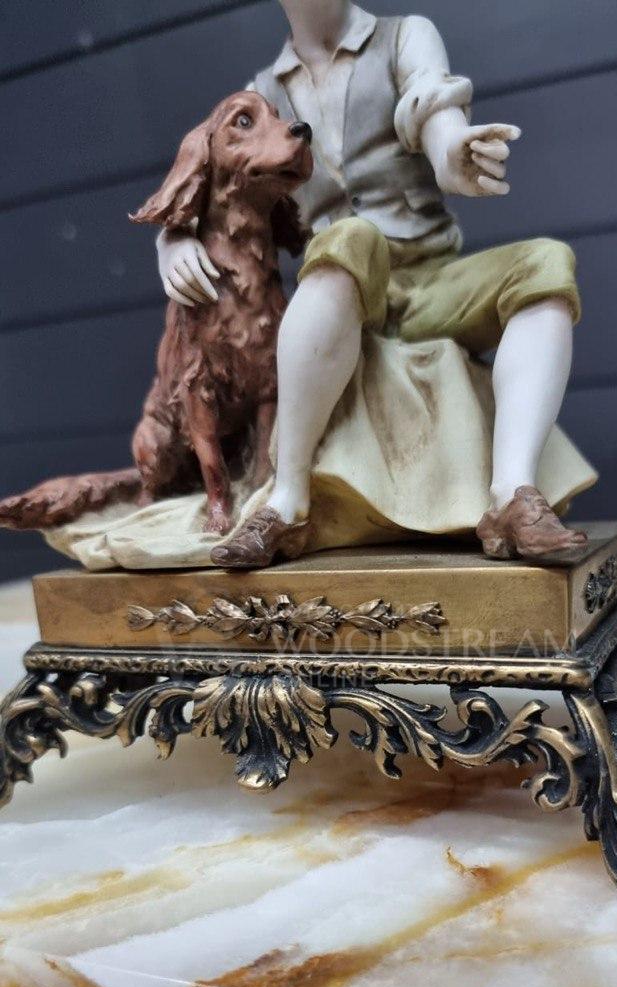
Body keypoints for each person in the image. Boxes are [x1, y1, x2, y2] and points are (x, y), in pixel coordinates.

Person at [157, 0, 586, 566]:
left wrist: (453, 153)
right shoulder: (264, 92)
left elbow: (431, 107)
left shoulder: (404, 38)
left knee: (547, 263)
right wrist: (173, 239)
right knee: (348, 238)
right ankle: (286, 501)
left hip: (432, 279)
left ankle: (512, 496)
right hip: (344, 293)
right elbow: (215, 177)